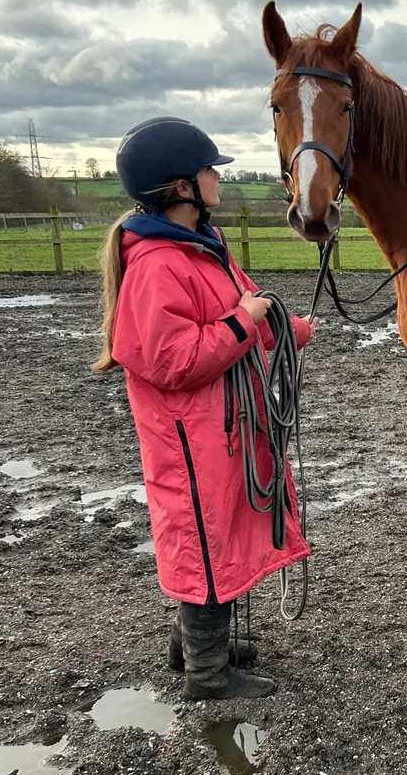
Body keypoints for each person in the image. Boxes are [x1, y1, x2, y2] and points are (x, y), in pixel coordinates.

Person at [93, 117, 316, 700]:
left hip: (223, 430)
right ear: (182, 186)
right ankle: (207, 676)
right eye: (209, 169)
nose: (219, 176)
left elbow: (250, 308)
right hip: (191, 437)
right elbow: (173, 360)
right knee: (204, 537)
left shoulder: (203, 249)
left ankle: (191, 646)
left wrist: (292, 330)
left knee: (220, 532)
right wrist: (246, 322)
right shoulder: (157, 266)